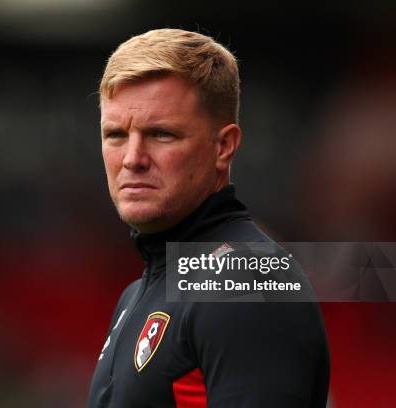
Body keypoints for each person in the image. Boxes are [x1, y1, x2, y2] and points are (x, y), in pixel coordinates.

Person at [88, 29, 330, 407]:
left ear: (224, 146)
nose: (132, 158)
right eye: (116, 135)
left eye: (161, 134)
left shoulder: (247, 278)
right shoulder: (137, 295)